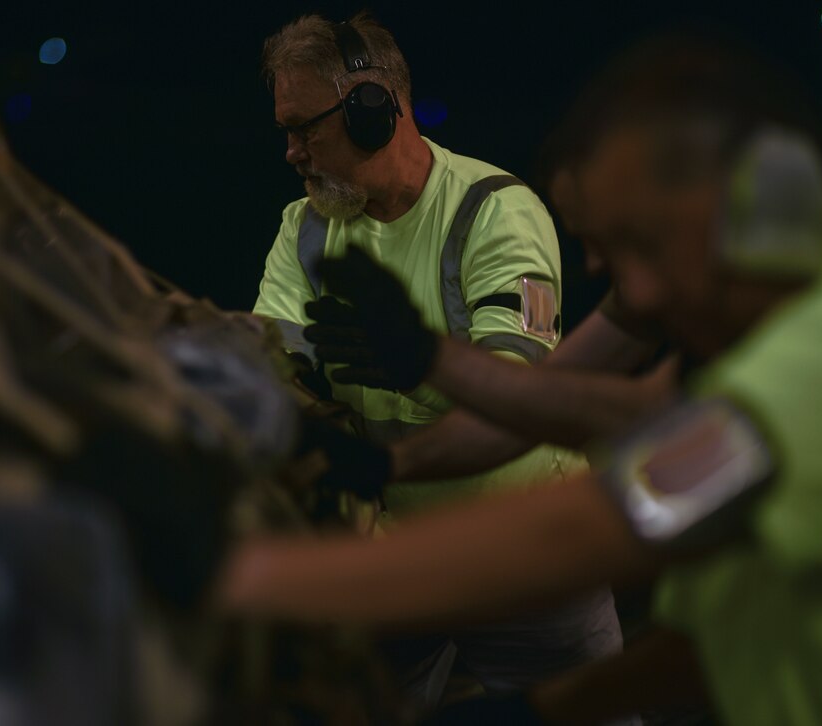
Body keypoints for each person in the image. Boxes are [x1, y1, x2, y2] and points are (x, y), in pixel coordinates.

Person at [224, 34, 822, 724]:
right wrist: (554, 707)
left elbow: (610, 517)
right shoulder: (761, 337)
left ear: (775, 197)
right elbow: (611, 411)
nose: (633, 295)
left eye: (645, 244)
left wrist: (241, 577)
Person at [251, 11, 625, 709]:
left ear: (373, 110)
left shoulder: (494, 211)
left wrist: (418, 371)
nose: (293, 152)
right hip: (398, 549)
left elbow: (522, 397)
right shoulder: (304, 226)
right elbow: (273, 358)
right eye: (287, 131)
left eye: (307, 128)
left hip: (530, 552)